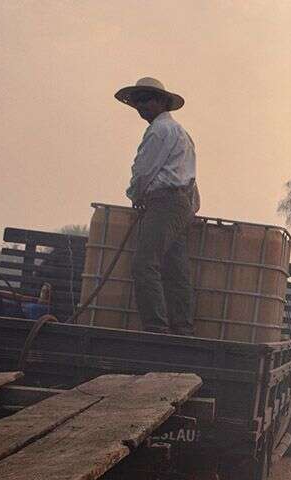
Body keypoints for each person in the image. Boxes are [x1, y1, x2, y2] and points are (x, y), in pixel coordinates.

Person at [115, 77, 199, 335]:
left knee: (144, 264)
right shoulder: (181, 133)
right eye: (138, 101)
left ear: (162, 102)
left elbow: (143, 171)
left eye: (146, 99)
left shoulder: (159, 131)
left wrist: (136, 196)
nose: (141, 105)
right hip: (180, 203)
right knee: (175, 268)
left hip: (164, 201)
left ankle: (156, 328)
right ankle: (182, 327)